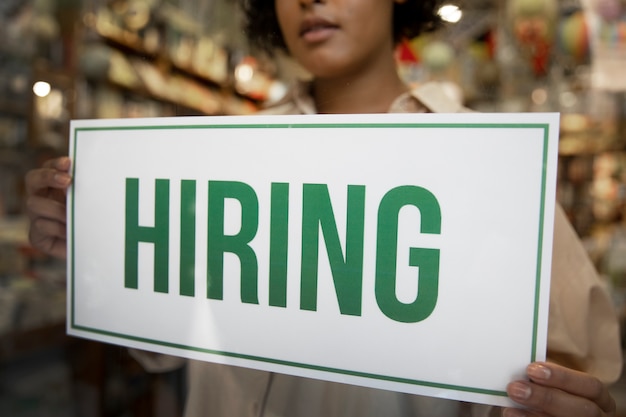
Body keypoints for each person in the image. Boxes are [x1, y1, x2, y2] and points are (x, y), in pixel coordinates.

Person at [25, 0, 622, 416]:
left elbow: (580, 375)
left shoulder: (495, 167)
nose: (310, 1)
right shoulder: (218, 157)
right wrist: (102, 245)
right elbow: (166, 341)